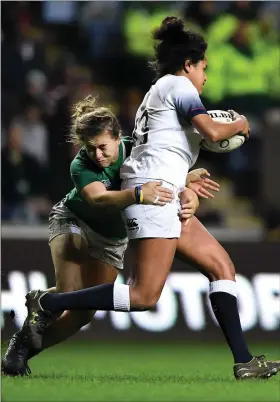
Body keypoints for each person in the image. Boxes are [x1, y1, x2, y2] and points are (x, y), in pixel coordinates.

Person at [9, 17, 280, 380]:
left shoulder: (159, 92)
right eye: (204, 68)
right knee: (143, 297)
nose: (205, 76)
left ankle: (244, 361)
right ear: (188, 64)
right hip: (153, 197)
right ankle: (50, 301)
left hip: (162, 191)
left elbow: (163, 148)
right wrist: (239, 124)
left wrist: (186, 180)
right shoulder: (181, 87)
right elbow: (214, 131)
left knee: (222, 267)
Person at [2, 95, 202, 375]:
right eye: (90, 148)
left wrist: (189, 189)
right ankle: (28, 332)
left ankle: (24, 347)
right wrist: (138, 194)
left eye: (102, 147)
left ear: (119, 137)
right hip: (75, 219)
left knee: (83, 312)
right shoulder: (81, 166)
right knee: (69, 290)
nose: (97, 155)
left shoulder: (140, 152)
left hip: (112, 237)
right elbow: (99, 200)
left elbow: (173, 176)